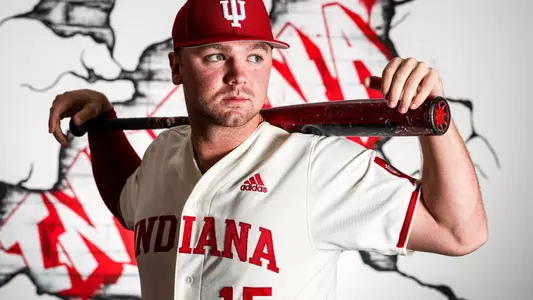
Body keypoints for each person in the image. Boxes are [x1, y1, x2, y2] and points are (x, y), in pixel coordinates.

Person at [47, 0, 488, 299]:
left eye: (256, 56)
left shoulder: (318, 166)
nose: (240, 75)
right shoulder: (164, 154)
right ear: (177, 67)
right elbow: (128, 198)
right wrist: (103, 121)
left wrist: (435, 121)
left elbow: (459, 232)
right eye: (217, 56)